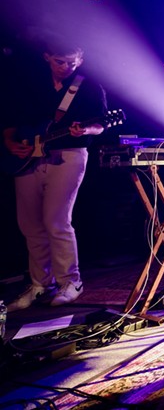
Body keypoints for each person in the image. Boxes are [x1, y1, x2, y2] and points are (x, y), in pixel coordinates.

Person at [3, 37, 107, 311]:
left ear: (80, 60)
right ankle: (40, 284)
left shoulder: (89, 86)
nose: (65, 67)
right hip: (28, 159)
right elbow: (12, 118)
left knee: (56, 220)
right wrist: (10, 142)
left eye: (72, 62)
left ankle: (70, 282)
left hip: (68, 156)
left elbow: (101, 123)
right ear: (47, 57)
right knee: (29, 225)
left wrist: (84, 130)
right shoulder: (31, 84)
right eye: (59, 61)